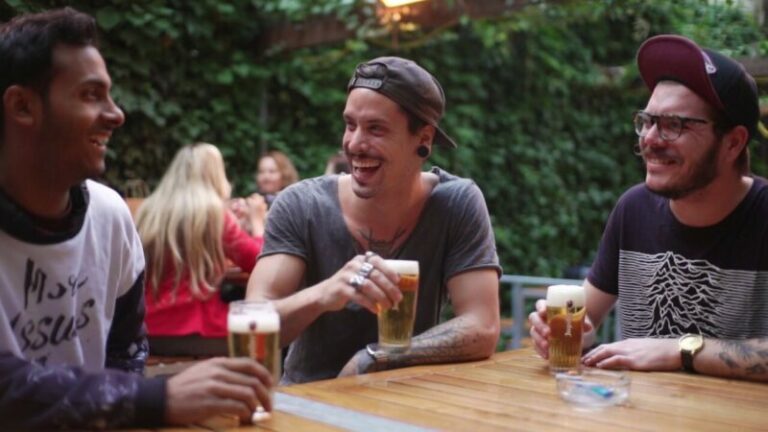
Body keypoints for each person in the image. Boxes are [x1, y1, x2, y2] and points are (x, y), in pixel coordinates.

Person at [0, 8, 271, 429]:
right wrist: (156, 398)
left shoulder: (110, 216)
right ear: (22, 106)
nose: (117, 114)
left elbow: (125, 355)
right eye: (91, 95)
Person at [246, 56, 501, 384]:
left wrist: (375, 357)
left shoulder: (456, 203)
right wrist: (325, 293)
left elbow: (483, 325)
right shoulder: (301, 204)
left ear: (423, 139)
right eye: (350, 124)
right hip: (309, 405)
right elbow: (253, 324)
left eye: (375, 129)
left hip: (409, 403)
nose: (353, 144)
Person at [530, 34, 768, 382]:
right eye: (648, 120)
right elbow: (587, 320)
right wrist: (571, 334)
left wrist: (681, 350)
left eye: (675, 125)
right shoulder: (634, 208)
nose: (651, 139)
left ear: (733, 143)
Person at [136, 143, 266, 345]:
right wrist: (258, 222)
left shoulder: (149, 211)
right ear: (216, 174)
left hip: (147, 325)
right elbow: (261, 263)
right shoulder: (213, 214)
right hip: (197, 328)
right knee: (269, 327)